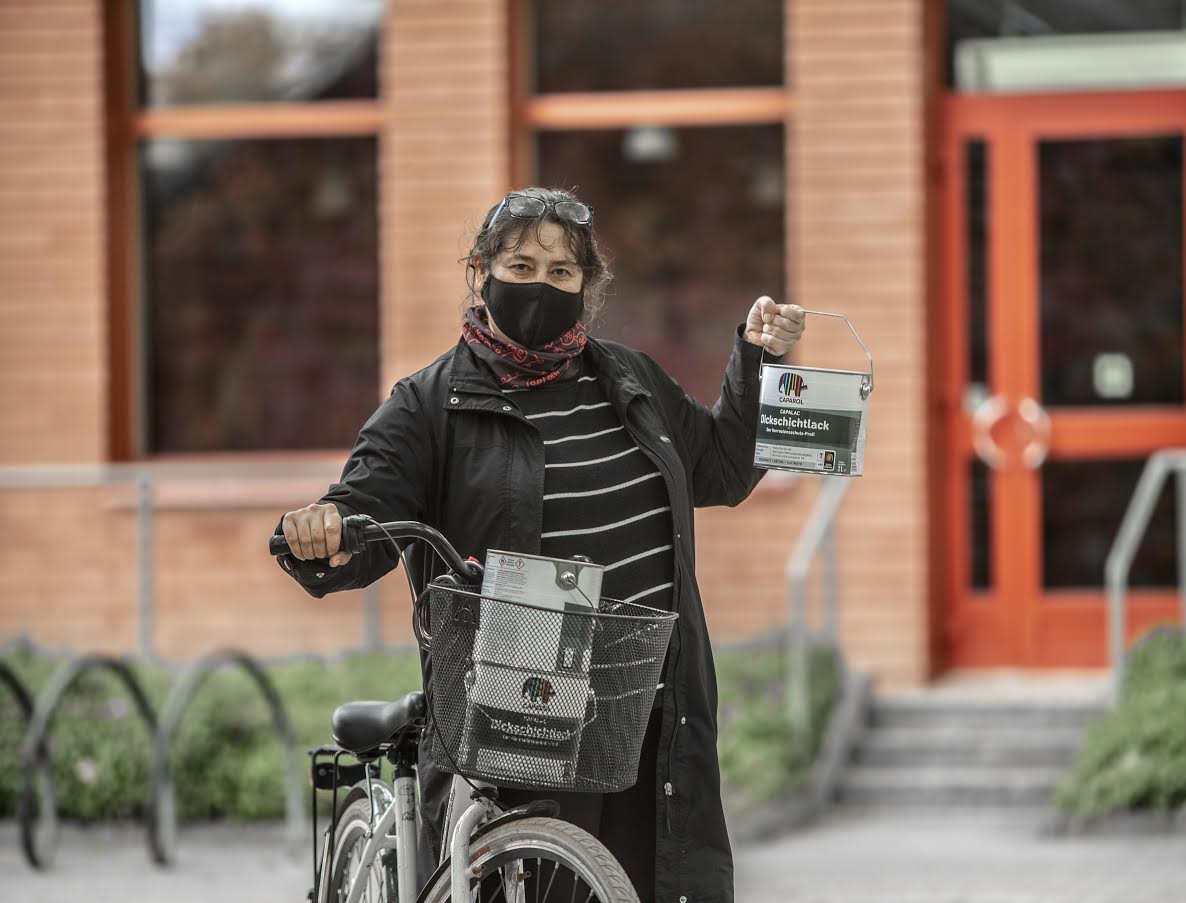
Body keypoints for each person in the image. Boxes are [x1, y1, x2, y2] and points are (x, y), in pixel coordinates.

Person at [275, 186, 805, 903]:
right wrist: (325, 531)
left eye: (561, 273)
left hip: (647, 715)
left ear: (588, 287)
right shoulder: (429, 404)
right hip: (522, 720)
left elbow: (722, 468)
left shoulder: (629, 380)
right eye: (521, 265)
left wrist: (759, 362)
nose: (540, 286)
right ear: (481, 271)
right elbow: (366, 514)